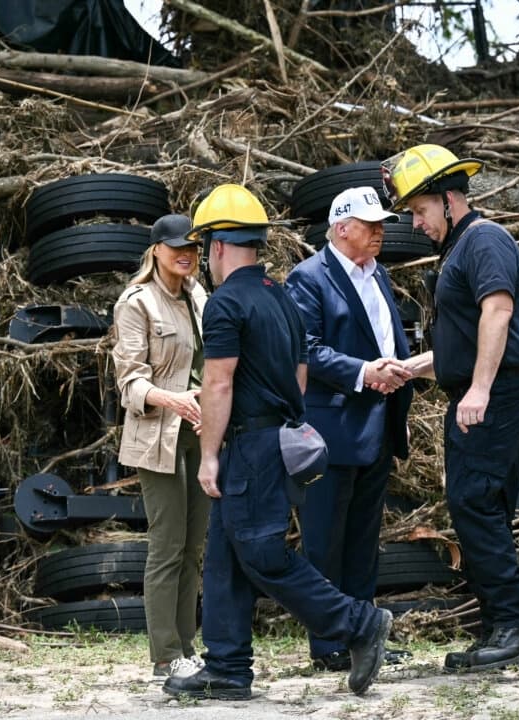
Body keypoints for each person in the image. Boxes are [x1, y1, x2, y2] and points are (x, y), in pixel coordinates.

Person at [162, 184, 391, 700]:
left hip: (248, 448)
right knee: (224, 557)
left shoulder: (224, 304)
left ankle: (359, 624)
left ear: (217, 246)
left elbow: (218, 383)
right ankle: (226, 668)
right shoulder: (280, 296)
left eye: (203, 248)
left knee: (263, 555)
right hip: (275, 439)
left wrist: (212, 455)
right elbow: (302, 374)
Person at [381, 144, 519, 672]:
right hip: (483, 389)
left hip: (494, 395)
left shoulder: (484, 240)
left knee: (474, 501)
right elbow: (464, 343)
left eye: (420, 210)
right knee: (480, 506)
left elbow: (497, 313)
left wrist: (477, 390)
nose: (416, 222)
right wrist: (412, 367)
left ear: (449, 200)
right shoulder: (459, 248)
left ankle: (517, 625)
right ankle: (503, 625)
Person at [284, 186, 414, 672]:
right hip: (332, 430)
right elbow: (308, 349)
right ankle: (328, 644)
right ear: (341, 228)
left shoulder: (377, 274)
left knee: (362, 541)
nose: (381, 230)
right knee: (325, 541)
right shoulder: (308, 278)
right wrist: (365, 372)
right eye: (370, 224)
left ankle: (364, 636)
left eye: (382, 222)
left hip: (376, 426)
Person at [111, 213, 209, 680]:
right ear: (156, 251)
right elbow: (129, 384)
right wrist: (173, 399)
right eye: (176, 247)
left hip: (201, 432)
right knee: (167, 545)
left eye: (192, 245)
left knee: (193, 547)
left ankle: (188, 647)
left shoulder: (198, 296)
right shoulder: (136, 303)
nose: (185, 253)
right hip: (157, 437)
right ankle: (165, 655)